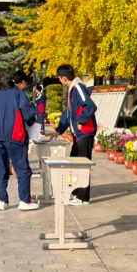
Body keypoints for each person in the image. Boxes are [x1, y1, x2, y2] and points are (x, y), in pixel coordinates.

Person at [0, 71, 39, 211]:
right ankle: (24, 201)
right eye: (26, 84)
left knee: (2, 170)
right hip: (14, 136)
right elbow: (28, 115)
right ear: (22, 82)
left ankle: (2, 201)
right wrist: (32, 122)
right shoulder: (20, 94)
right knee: (23, 170)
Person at [55, 64, 98, 206]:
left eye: (59, 78)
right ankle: (75, 193)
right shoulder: (72, 89)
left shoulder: (78, 87)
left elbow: (90, 106)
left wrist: (81, 120)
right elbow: (68, 112)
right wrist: (59, 130)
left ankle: (83, 198)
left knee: (82, 166)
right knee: (74, 163)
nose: (59, 81)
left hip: (85, 133)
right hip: (79, 135)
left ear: (64, 78)